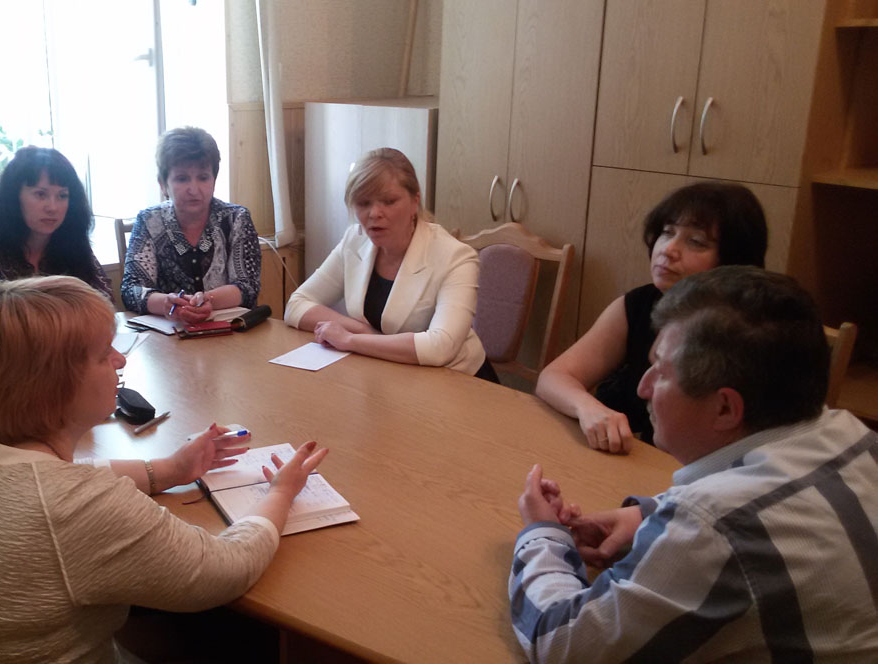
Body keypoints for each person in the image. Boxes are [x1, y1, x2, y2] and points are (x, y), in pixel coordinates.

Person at [0, 276, 328, 662]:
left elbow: (72, 476)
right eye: (105, 353)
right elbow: (226, 570)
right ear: (53, 386)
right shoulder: (77, 507)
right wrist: (281, 492)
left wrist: (170, 469)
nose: (120, 360)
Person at [510, 266, 878, 662]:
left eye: (661, 371)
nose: (643, 387)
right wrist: (647, 517)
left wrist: (544, 534)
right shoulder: (855, 434)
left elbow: (564, 645)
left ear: (725, 408)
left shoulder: (711, 526)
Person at [535, 182, 767, 452]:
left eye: (695, 242)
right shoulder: (638, 304)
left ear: (732, 260)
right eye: (667, 233)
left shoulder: (748, 330)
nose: (668, 249)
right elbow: (554, 376)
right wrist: (587, 407)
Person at [284, 147, 493, 379]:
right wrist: (362, 330)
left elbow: (440, 347)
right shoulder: (354, 240)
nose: (374, 213)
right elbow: (296, 305)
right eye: (363, 203)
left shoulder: (456, 257)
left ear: (415, 201)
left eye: (389, 201)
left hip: (457, 380)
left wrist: (351, 339)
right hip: (390, 373)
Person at [121, 126, 261, 322]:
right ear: (163, 184)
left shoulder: (237, 218)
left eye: (203, 178)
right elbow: (131, 290)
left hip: (230, 331)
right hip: (168, 333)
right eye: (182, 178)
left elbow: (248, 287)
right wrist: (166, 304)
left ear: (214, 180)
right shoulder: (148, 221)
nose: (193, 189)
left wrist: (208, 300)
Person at [0, 146, 111, 308]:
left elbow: (104, 302)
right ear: (14, 197)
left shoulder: (72, 241)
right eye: (40, 194)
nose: (52, 207)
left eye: (62, 196)